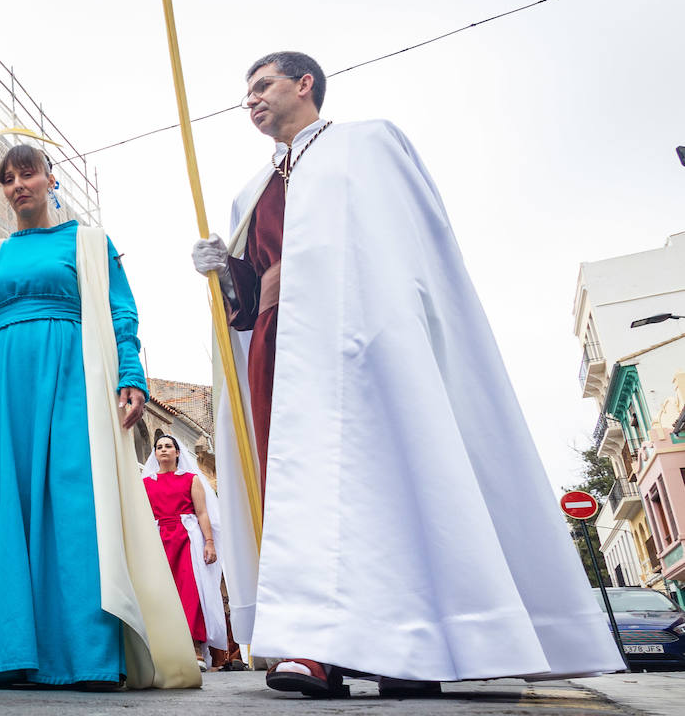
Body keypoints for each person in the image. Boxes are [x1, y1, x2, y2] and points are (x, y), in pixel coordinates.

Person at [191, 51, 625, 697]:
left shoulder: (367, 145)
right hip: (281, 348)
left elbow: (406, 249)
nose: (250, 99)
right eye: (245, 92)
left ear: (304, 84)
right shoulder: (248, 191)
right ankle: (317, 645)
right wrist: (225, 269)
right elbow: (248, 302)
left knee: (386, 479)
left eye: (263, 85)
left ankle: (415, 642)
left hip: (362, 338)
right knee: (299, 488)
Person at [0, 144, 199, 690]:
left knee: (75, 500)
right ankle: (8, 653)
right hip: (4, 393)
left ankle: (85, 655)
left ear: (50, 179)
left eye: (27, 173)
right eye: (7, 179)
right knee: (7, 503)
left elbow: (122, 310)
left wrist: (131, 375)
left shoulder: (89, 242)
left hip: (74, 381)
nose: (17, 185)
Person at [141, 432, 229, 670]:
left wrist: (209, 541)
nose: (163, 450)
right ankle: (167, 650)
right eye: (159, 447)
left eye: (168, 446)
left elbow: (202, 513)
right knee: (162, 593)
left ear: (178, 452)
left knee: (191, 590)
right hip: (158, 539)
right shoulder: (146, 483)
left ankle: (195, 649)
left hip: (187, 538)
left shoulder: (191, 479)